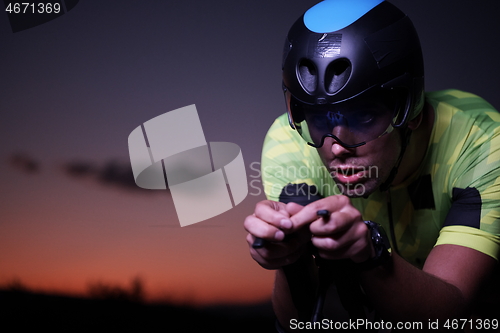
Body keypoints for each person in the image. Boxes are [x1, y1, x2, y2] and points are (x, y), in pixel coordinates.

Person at [244, 0, 500, 331]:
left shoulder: (482, 142)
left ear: (409, 109)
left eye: (363, 116)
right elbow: (295, 323)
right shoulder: (288, 140)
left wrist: (371, 253)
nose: (336, 147)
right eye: (320, 119)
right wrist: (290, 258)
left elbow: (447, 317)